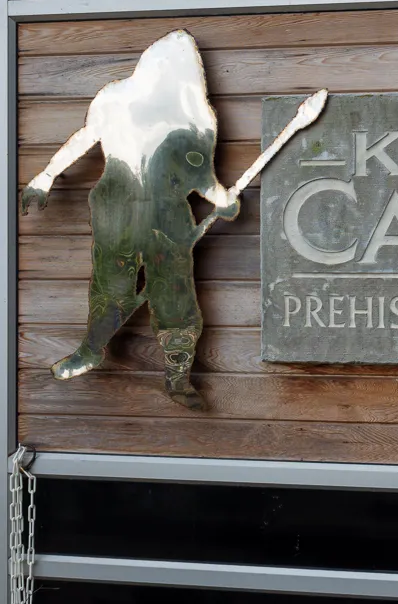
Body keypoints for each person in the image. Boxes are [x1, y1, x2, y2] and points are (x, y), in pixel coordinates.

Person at [21, 29, 240, 410]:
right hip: (116, 212)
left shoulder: (196, 118)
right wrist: (46, 175)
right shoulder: (116, 99)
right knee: (111, 289)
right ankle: (91, 350)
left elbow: (201, 177)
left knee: (173, 297)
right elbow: (86, 136)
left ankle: (177, 378)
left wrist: (223, 200)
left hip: (166, 222)